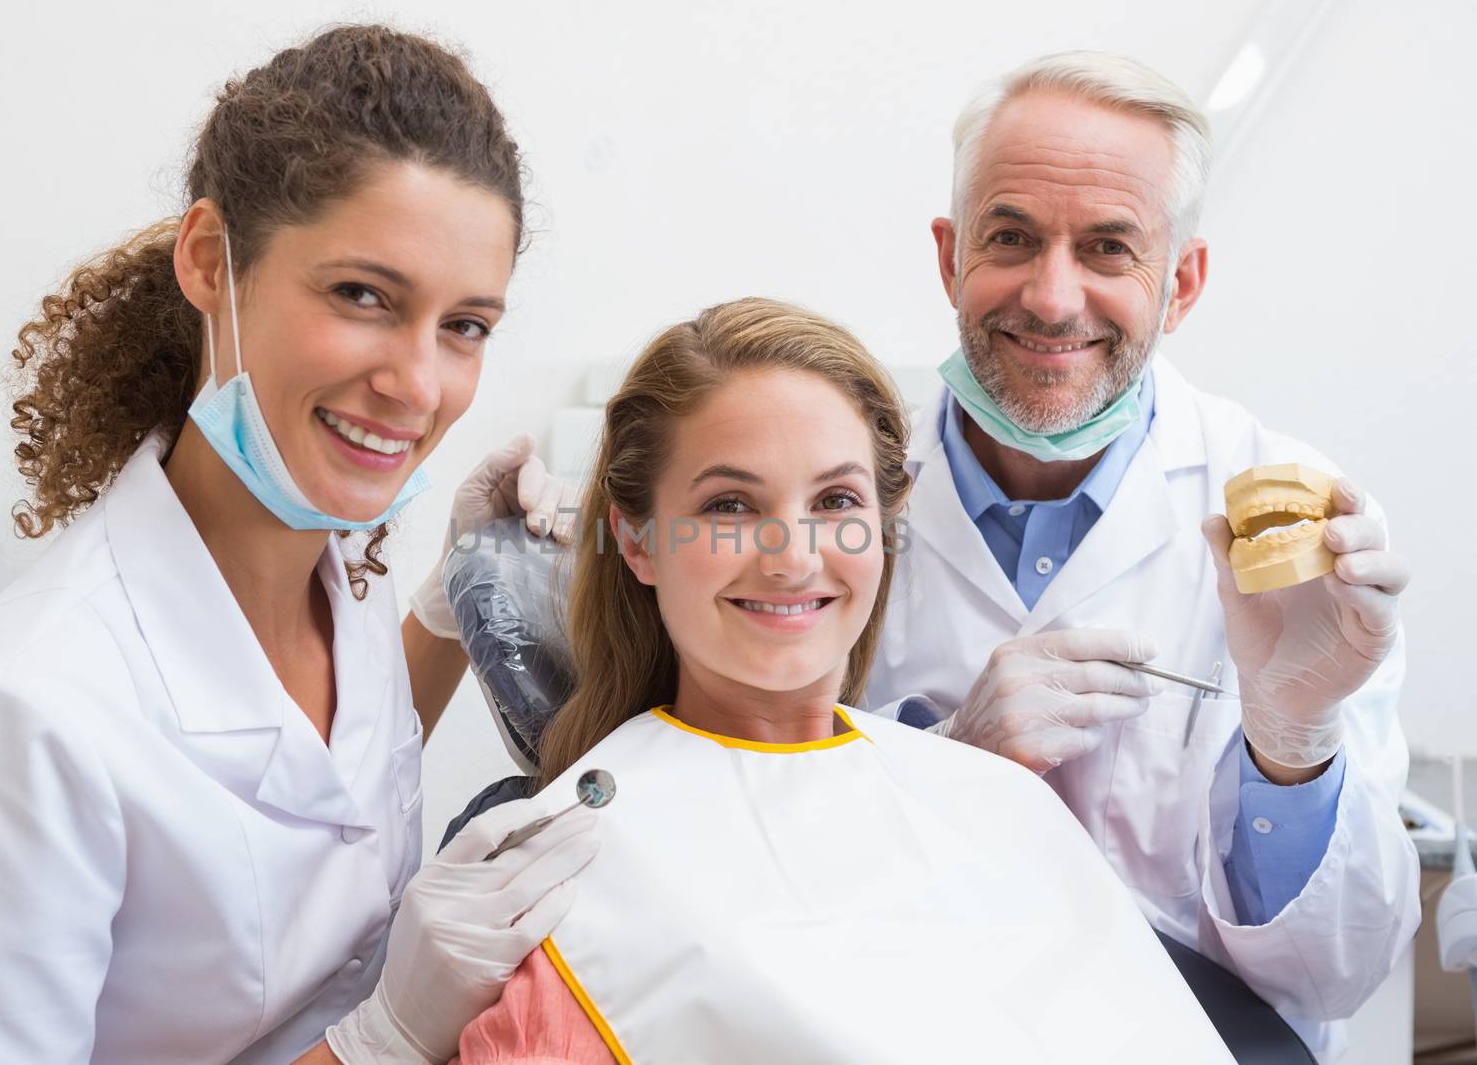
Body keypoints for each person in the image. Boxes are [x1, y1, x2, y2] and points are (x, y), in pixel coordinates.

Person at [0, 25, 598, 1065]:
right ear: (211, 261)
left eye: (465, 325)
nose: (418, 383)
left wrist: (447, 602)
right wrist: (378, 1040)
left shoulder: (331, 580)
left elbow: (314, 787)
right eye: (364, 296)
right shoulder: (20, 717)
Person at [448, 298, 1235, 1063]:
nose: (794, 556)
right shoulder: (557, 880)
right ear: (637, 538)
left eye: (836, 501)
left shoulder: (996, 798)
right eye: (730, 504)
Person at [862, 51, 1417, 1060]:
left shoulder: (1302, 518)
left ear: (1183, 281)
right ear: (948, 256)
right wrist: (944, 769)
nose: (1051, 295)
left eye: (1109, 248)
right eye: (1010, 237)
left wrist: (1292, 738)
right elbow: (753, 857)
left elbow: (1340, 969)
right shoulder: (828, 493)